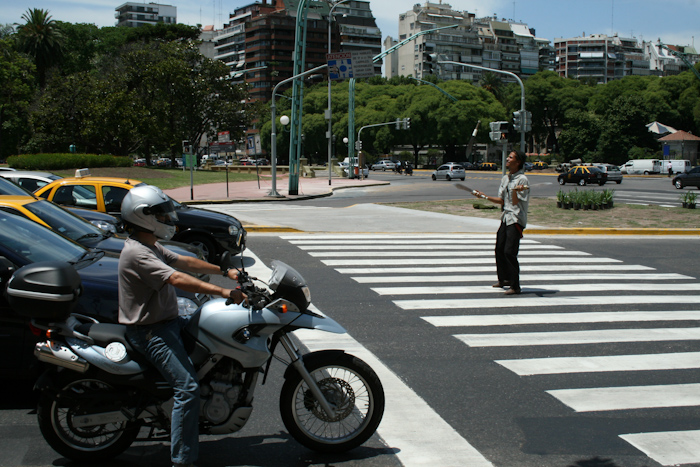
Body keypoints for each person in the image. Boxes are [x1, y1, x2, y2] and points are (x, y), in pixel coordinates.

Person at [118, 185, 245, 467]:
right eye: (161, 214)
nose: (167, 219)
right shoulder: (139, 253)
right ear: (143, 216)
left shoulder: (148, 244)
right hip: (151, 332)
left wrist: (224, 271)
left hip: (168, 322)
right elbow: (176, 278)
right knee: (187, 389)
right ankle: (183, 461)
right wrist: (225, 292)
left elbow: (183, 261)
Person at [472, 151, 530, 295]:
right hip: (506, 217)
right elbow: (502, 201)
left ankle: (515, 286)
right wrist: (483, 197)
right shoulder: (506, 178)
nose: (507, 159)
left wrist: (516, 191)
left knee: (509, 252)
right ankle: (504, 279)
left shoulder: (522, 180)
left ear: (518, 162)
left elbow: (515, 202)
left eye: (511, 157)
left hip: (515, 218)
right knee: (499, 249)